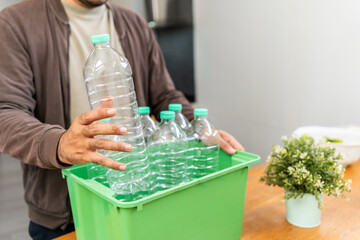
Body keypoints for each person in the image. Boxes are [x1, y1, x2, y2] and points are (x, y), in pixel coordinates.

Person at [0, 0, 245, 239]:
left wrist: (199, 127)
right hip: (64, 217)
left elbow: (163, 95)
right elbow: (5, 113)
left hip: (138, 198)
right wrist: (60, 143)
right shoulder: (16, 23)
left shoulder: (134, 23)